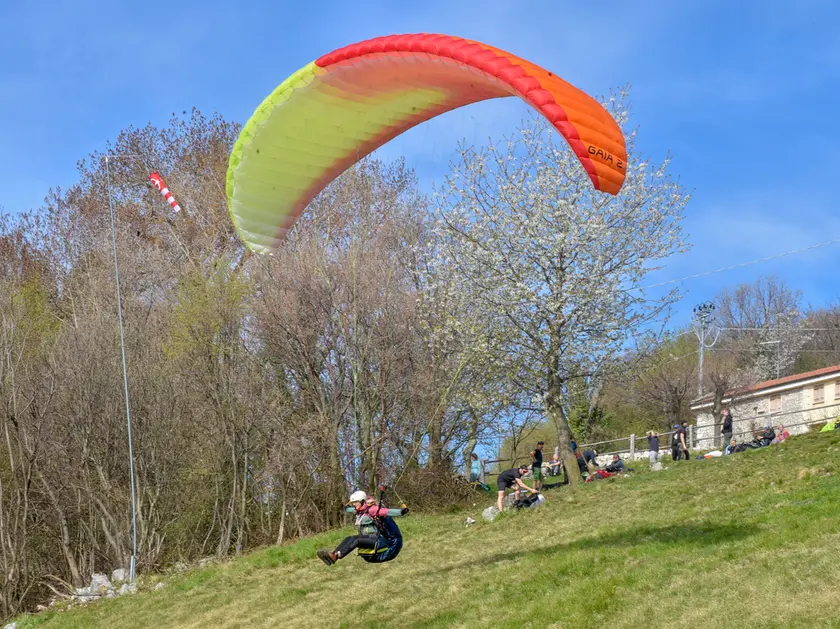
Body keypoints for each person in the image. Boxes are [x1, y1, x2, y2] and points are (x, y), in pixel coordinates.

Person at [317, 490, 408, 566]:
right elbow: (349, 509)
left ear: (362, 501)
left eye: (355, 503)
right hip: (369, 538)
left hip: (377, 539)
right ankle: (334, 555)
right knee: (349, 538)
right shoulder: (359, 510)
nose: (354, 505)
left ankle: (336, 556)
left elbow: (386, 511)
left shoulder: (372, 509)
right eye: (353, 503)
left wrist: (401, 512)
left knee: (357, 541)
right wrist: (344, 507)